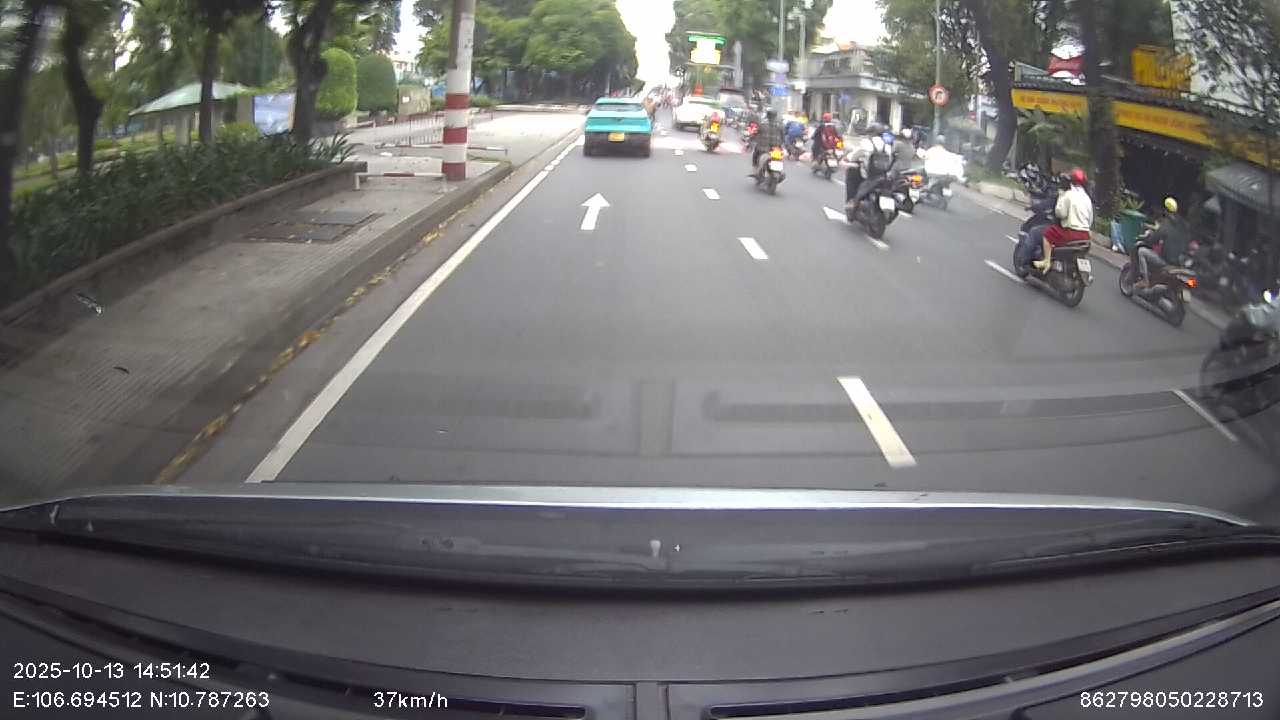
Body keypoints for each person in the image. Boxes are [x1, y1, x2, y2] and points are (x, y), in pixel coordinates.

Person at [1032, 167, 1094, 274]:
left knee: (1047, 235)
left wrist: (1061, 197)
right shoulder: (1087, 198)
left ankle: (1046, 261)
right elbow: (1090, 219)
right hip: (1085, 235)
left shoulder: (1068, 194)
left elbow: (1060, 213)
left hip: (1071, 233)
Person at [1136, 197, 1192, 289]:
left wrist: (1147, 240)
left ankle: (1144, 280)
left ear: (1166, 210)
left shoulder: (1167, 224)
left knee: (1141, 251)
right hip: (1179, 263)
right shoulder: (1183, 227)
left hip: (1166, 261)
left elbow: (1154, 239)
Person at [846, 129, 897, 209]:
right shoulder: (887, 146)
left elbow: (853, 157)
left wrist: (848, 158)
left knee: (851, 172)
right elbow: (891, 161)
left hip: (867, 175)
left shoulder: (866, 143)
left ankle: (851, 201)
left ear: (870, 133)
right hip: (882, 175)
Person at [751, 108, 785, 174]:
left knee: (755, 154)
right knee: (779, 158)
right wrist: (781, 144)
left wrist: (753, 138)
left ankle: (755, 169)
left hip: (762, 148)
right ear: (775, 116)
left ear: (767, 115)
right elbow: (783, 136)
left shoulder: (762, 124)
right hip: (776, 149)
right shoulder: (780, 125)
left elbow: (755, 133)